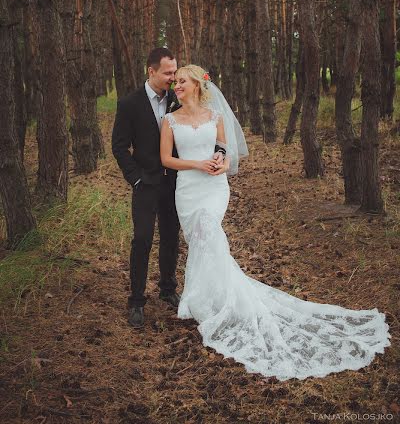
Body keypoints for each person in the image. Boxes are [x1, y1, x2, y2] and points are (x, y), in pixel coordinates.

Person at [160, 64, 391, 381]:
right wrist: (198, 163)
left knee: (209, 233)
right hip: (187, 188)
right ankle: (206, 297)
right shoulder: (170, 120)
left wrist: (220, 162)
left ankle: (212, 300)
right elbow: (167, 160)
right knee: (201, 241)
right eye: (175, 83)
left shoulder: (215, 117)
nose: (177, 87)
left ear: (198, 85)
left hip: (214, 188)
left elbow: (225, 152)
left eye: (182, 82)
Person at [112, 48, 224, 328]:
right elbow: (119, 146)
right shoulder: (130, 104)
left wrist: (219, 156)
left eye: (175, 73)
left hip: (177, 182)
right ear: (151, 71)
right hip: (146, 182)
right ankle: (137, 300)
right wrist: (135, 177)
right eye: (168, 73)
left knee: (171, 238)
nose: (173, 78)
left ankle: (167, 289)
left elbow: (202, 128)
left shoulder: (179, 97)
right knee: (142, 239)